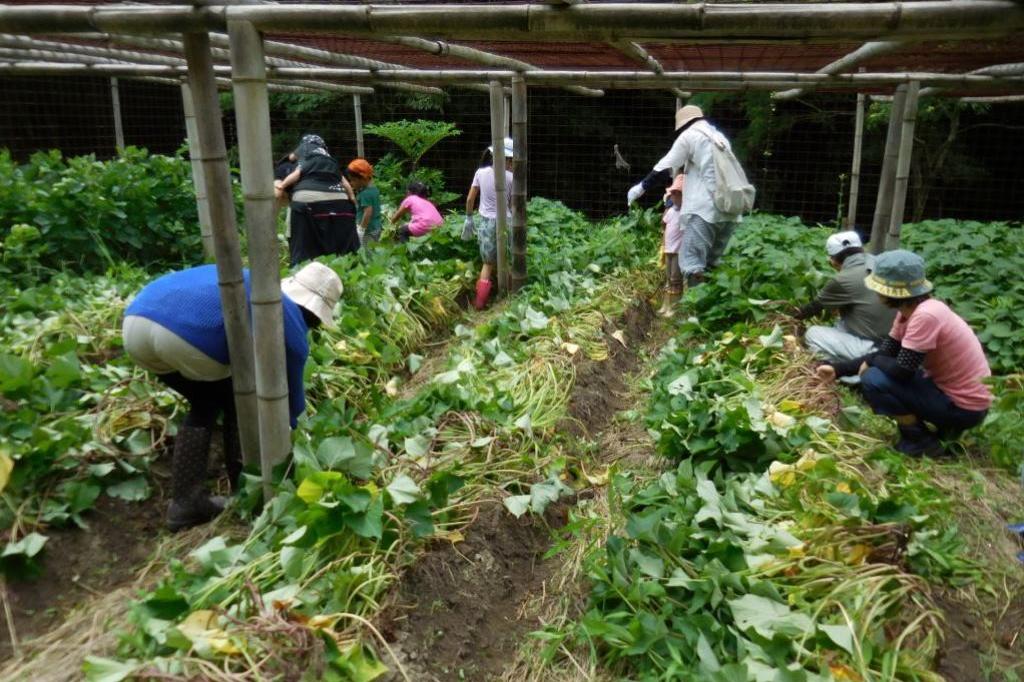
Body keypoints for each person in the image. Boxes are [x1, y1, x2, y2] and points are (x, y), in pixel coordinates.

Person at [122, 261, 342, 531]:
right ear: (315, 316)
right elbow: (291, 407)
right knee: (235, 401)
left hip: (135, 322)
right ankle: (241, 486)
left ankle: (189, 499)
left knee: (205, 401)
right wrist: (300, 448)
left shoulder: (255, 280)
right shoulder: (292, 323)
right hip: (184, 335)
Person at [816, 250, 992, 457]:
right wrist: (838, 369)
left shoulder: (925, 316)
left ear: (890, 291)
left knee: (873, 379)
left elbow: (901, 372)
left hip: (965, 407)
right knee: (877, 369)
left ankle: (920, 440)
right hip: (956, 395)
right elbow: (887, 351)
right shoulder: (910, 312)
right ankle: (940, 431)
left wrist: (871, 362)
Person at [626, 105, 743, 287]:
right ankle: (713, 308)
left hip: (705, 210)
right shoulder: (720, 138)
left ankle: (694, 310)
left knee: (691, 262)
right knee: (711, 264)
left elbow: (665, 166)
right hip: (730, 211)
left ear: (683, 125)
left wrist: (641, 187)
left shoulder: (690, 136)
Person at [795, 231, 895, 363]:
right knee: (840, 324)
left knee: (813, 333)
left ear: (833, 260)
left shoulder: (843, 279)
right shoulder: (880, 263)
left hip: (874, 350)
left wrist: (787, 317)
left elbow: (812, 309)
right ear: (861, 249)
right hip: (899, 345)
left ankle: (839, 368)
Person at [275, 134, 360, 265]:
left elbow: (293, 174)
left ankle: (301, 275)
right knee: (343, 256)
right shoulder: (330, 161)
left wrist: (282, 186)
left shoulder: (299, 160)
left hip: (306, 201)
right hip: (341, 202)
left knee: (303, 257)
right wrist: (353, 200)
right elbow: (345, 183)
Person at [465, 137, 514, 310]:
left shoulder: (480, 173)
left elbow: (470, 199)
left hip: (485, 223)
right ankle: (509, 300)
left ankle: (479, 304)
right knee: (507, 262)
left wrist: (469, 218)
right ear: (508, 159)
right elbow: (514, 205)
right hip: (506, 223)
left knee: (487, 264)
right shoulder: (511, 178)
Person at [659, 173, 685, 317]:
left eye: (678, 193)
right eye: (673, 193)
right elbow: (665, 228)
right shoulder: (670, 212)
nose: (674, 196)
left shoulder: (685, 213)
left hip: (678, 251)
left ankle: (674, 309)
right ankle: (666, 305)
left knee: (676, 279)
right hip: (668, 250)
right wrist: (662, 247)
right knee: (668, 278)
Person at [347, 158, 382, 246]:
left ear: (363, 178)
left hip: (368, 230)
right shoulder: (374, 190)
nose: (351, 183)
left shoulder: (365, 194)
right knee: (373, 250)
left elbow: (368, 212)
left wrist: (361, 229)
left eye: (353, 180)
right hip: (376, 227)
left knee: (367, 253)